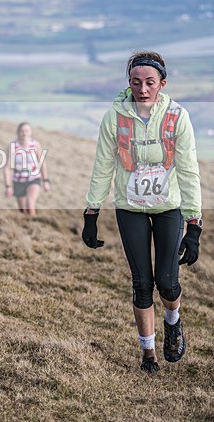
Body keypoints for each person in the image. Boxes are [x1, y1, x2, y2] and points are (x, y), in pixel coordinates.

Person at [83, 50, 202, 374]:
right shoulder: (114, 117)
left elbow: (189, 170)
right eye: (136, 82)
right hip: (130, 207)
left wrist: (194, 225)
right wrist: (91, 213)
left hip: (168, 207)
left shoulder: (178, 116)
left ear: (162, 83)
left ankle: (173, 321)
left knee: (167, 282)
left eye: (150, 82)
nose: (143, 89)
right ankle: (148, 353)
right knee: (142, 283)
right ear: (129, 83)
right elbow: (103, 166)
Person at [2, 122, 50, 215]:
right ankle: (27, 227)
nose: (24, 133)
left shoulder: (35, 145)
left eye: (27, 131)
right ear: (18, 132)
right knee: (23, 210)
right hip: (18, 181)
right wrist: (8, 186)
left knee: (30, 203)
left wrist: (46, 181)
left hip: (33, 179)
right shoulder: (12, 146)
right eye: (22, 131)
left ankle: (35, 226)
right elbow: (6, 168)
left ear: (31, 132)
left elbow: (42, 163)